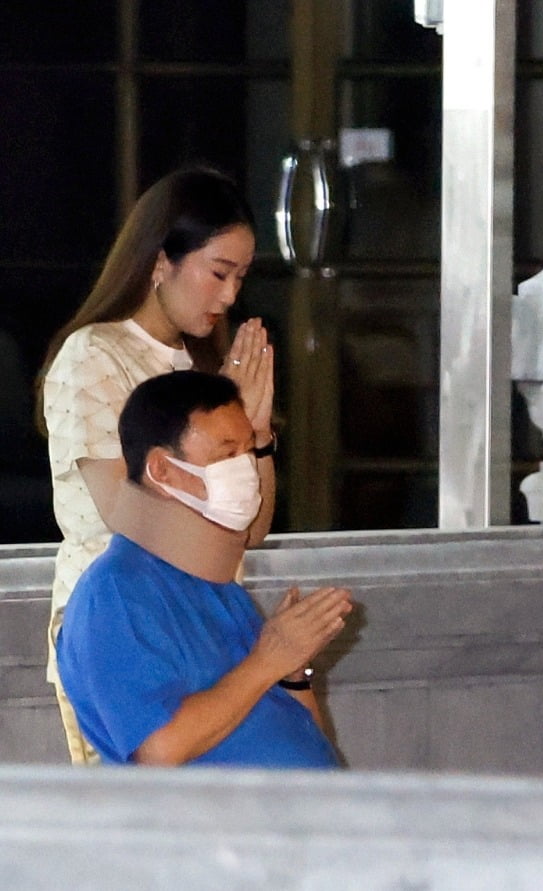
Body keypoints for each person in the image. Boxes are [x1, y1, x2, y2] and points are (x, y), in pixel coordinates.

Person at [38, 166, 277, 765]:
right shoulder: (93, 355)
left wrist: (258, 433)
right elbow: (125, 514)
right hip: (119, 621)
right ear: (160, 260)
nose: (228, 298)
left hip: (204, 616)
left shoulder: (199, 366)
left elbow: (250, 529)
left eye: (240, 279)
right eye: (218, 273)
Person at [56, 370, 353, 767]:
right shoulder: (115, 594)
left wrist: (292, 672)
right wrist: (268, 660)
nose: (246, 470)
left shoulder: (213, 584)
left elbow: (299, 730)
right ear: (161, 469)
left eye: (250, 451)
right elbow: (159, 750)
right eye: (227, 454)